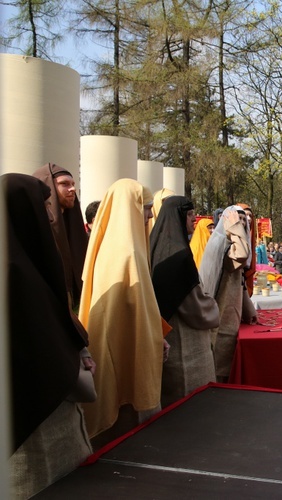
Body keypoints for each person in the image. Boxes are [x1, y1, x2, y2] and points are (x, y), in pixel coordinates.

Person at [4, 174, 93, 499]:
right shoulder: (13, 270)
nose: (52, 213)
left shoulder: (25, 262)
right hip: (36, 411)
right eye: (44, 206)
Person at [79, 179, 168, 445]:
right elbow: (133, 311)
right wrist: (154, 338)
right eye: (146, 207)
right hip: (123, 346)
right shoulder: (127, 252)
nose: (151, 215)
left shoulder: (112, 245)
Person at [151, 196, 220, 407]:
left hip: (167, 334)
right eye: (189, 214)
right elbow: (193, 305)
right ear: (177, 218)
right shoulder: (179, 254)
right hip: (185, 342)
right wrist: (214, 307)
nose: (193, 219)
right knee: (191, 401)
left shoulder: (156, 245)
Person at [199, 205, 253, 382]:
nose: (242, 225)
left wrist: (248, 310)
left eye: (244, 222)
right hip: (222, 312)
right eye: (238, 221)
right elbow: (242, 254)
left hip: (232, 310)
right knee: (222, 359)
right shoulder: (225, 247)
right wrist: (236, 228)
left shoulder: (232, 244)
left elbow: (241, 281)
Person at [32, 163, 89, 310]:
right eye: (64, 184)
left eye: (73, 184)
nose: (72, 189)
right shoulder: (37, 227)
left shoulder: (72, 225)